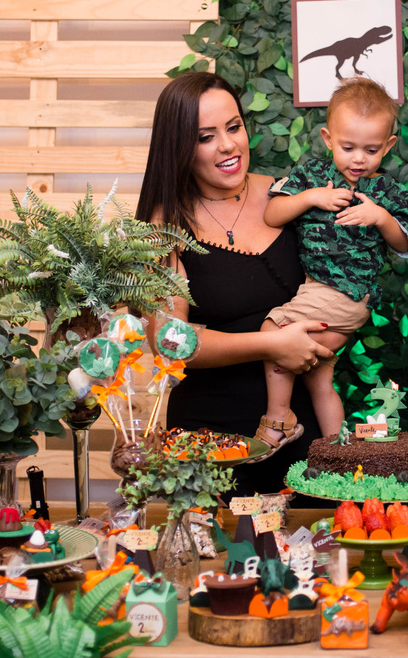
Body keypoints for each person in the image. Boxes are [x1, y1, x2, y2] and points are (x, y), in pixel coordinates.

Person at [137, 71, 332, 496]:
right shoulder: (164, 225)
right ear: (179, 147)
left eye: (234, 127)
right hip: (213, 444)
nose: (228, 145)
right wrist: (272, 345)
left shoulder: (288, 196)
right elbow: (169, 341)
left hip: (303, 432)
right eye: (206, 137)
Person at [259, 78, 408, 455]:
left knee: (274, 332)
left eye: (371, 150)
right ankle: (337, 453)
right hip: (315, 289)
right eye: (348, 147)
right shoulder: (310, 177)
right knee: (319, 378)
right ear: (328, 139)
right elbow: (272, 214)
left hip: (346, 293)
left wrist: (380, 217)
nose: (358, 159)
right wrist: (311, 197)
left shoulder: (388, 193)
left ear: (388, 146)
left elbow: (404, 245)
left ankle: (279, 419)